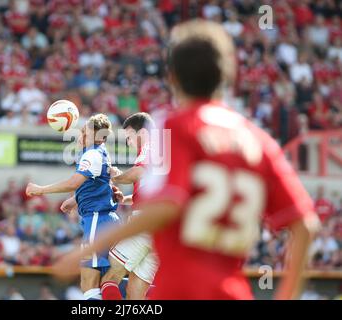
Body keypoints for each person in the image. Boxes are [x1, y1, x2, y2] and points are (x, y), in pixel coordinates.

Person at [53, 20, 320, 300]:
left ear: (174, 78)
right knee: (136, 291)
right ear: (228, 74)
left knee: (115, 278)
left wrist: (86, 250)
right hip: (233, 291)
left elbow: (169, 203)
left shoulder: (175, 126)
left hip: (181, 289)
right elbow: (305, 225)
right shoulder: (258, 140)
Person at [26, 114, 121, 300]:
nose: (81, 135)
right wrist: (75, 200)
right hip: (100, 220)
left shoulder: (92, 154)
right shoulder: (98, 152)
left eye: (86, 132)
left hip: (97, 219)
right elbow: (97, 185)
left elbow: (73, 182)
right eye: (82, 131)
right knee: (104, 281)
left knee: (88, 283)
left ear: (100, 136)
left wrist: (40, 190)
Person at [99, 112, 159, 300]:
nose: (129, 143)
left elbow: (139, 172)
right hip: (160, 229)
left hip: (144, 223)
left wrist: (115, 176)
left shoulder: (151, 146)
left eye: (129, 137)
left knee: (108, 278)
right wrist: (124, 198)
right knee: (135, 294)